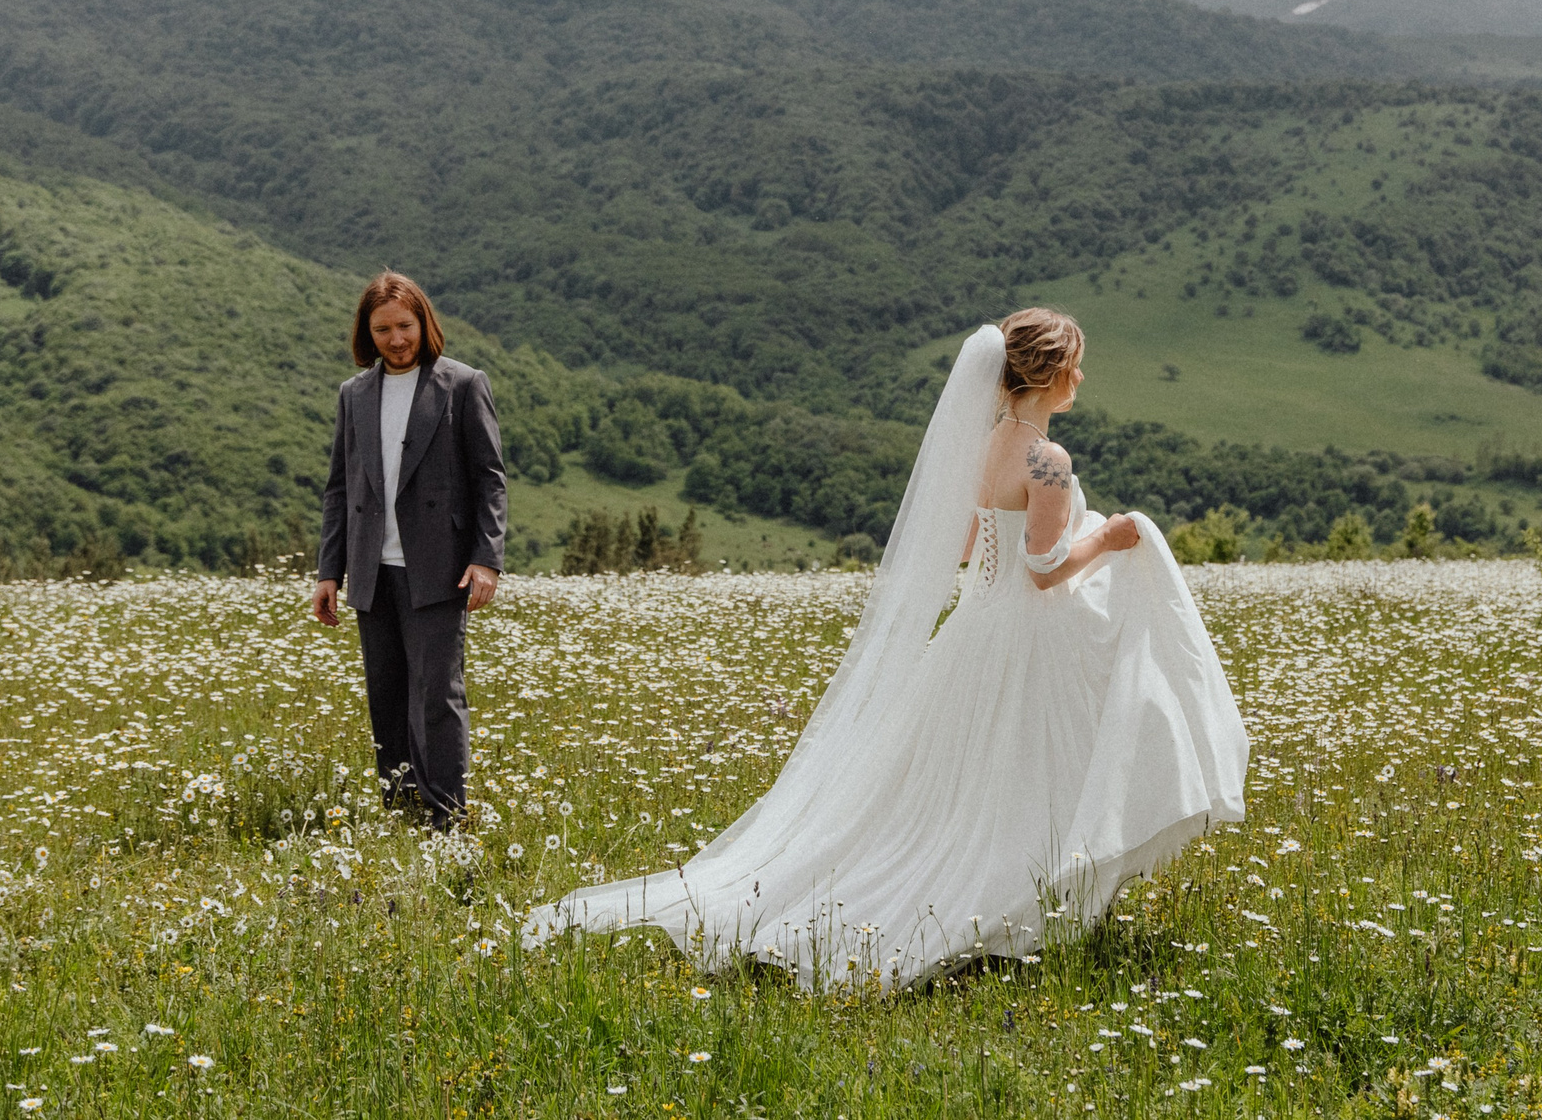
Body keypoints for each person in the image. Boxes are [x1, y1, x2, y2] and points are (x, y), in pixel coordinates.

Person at [523, 308, 1248, 989]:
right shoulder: (1047, 459)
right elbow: (1045, 567)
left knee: (973, 782)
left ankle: (1026, 898)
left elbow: (969, 543)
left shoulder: (990, 444)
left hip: (974, 631)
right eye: (1076, 366)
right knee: (1036, 769)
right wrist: (1116, 535)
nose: (1082, 379)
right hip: (1025, 637)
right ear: (1051, 373)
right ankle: (1015, 901)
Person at [315, 271, 507, 827]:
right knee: (387, 693)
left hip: (440, 569)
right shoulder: (354, 394)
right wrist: (330, 569)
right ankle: (399, 809)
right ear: (366, 333)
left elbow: (490, 478)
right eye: (383, 330)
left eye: (405, 326)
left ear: (424, 322)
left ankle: (446, 815)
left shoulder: (464, 384)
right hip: (372, 569)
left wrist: (486, 556)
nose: (396, 340)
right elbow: (339, 488)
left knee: (437, 697)